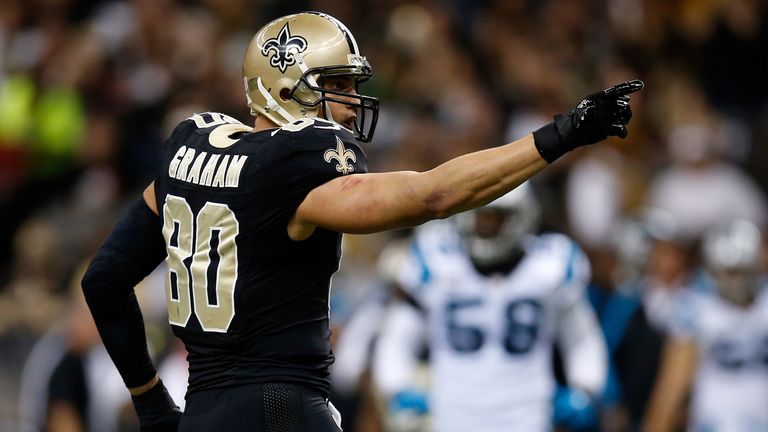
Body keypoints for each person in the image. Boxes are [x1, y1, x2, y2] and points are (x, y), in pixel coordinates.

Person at [80, 11, 642, 432]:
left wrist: (151, 400)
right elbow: (434, 196)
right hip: (283, 407)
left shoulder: (190, 152)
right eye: (337, 85)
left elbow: (104, 279)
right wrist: (563, 133)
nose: (351, 102)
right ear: (282, 89)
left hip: (202, 413)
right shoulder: (294, 166)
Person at [371, 183, 608, 432]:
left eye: (495, 218)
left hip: (528, 414)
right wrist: (396, 387)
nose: (484, 226)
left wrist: (585, 388)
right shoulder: (436, 258)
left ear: (522, 217)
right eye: (479, 216)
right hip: (451, 414)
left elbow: (581, 337)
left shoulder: (550, 264)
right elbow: (398, 335)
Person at [643, 219, 768, 432]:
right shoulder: (696, 308)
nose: (734, 280)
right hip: (714, 422)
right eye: (728, 271)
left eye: (740, 271)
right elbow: (673, 384)